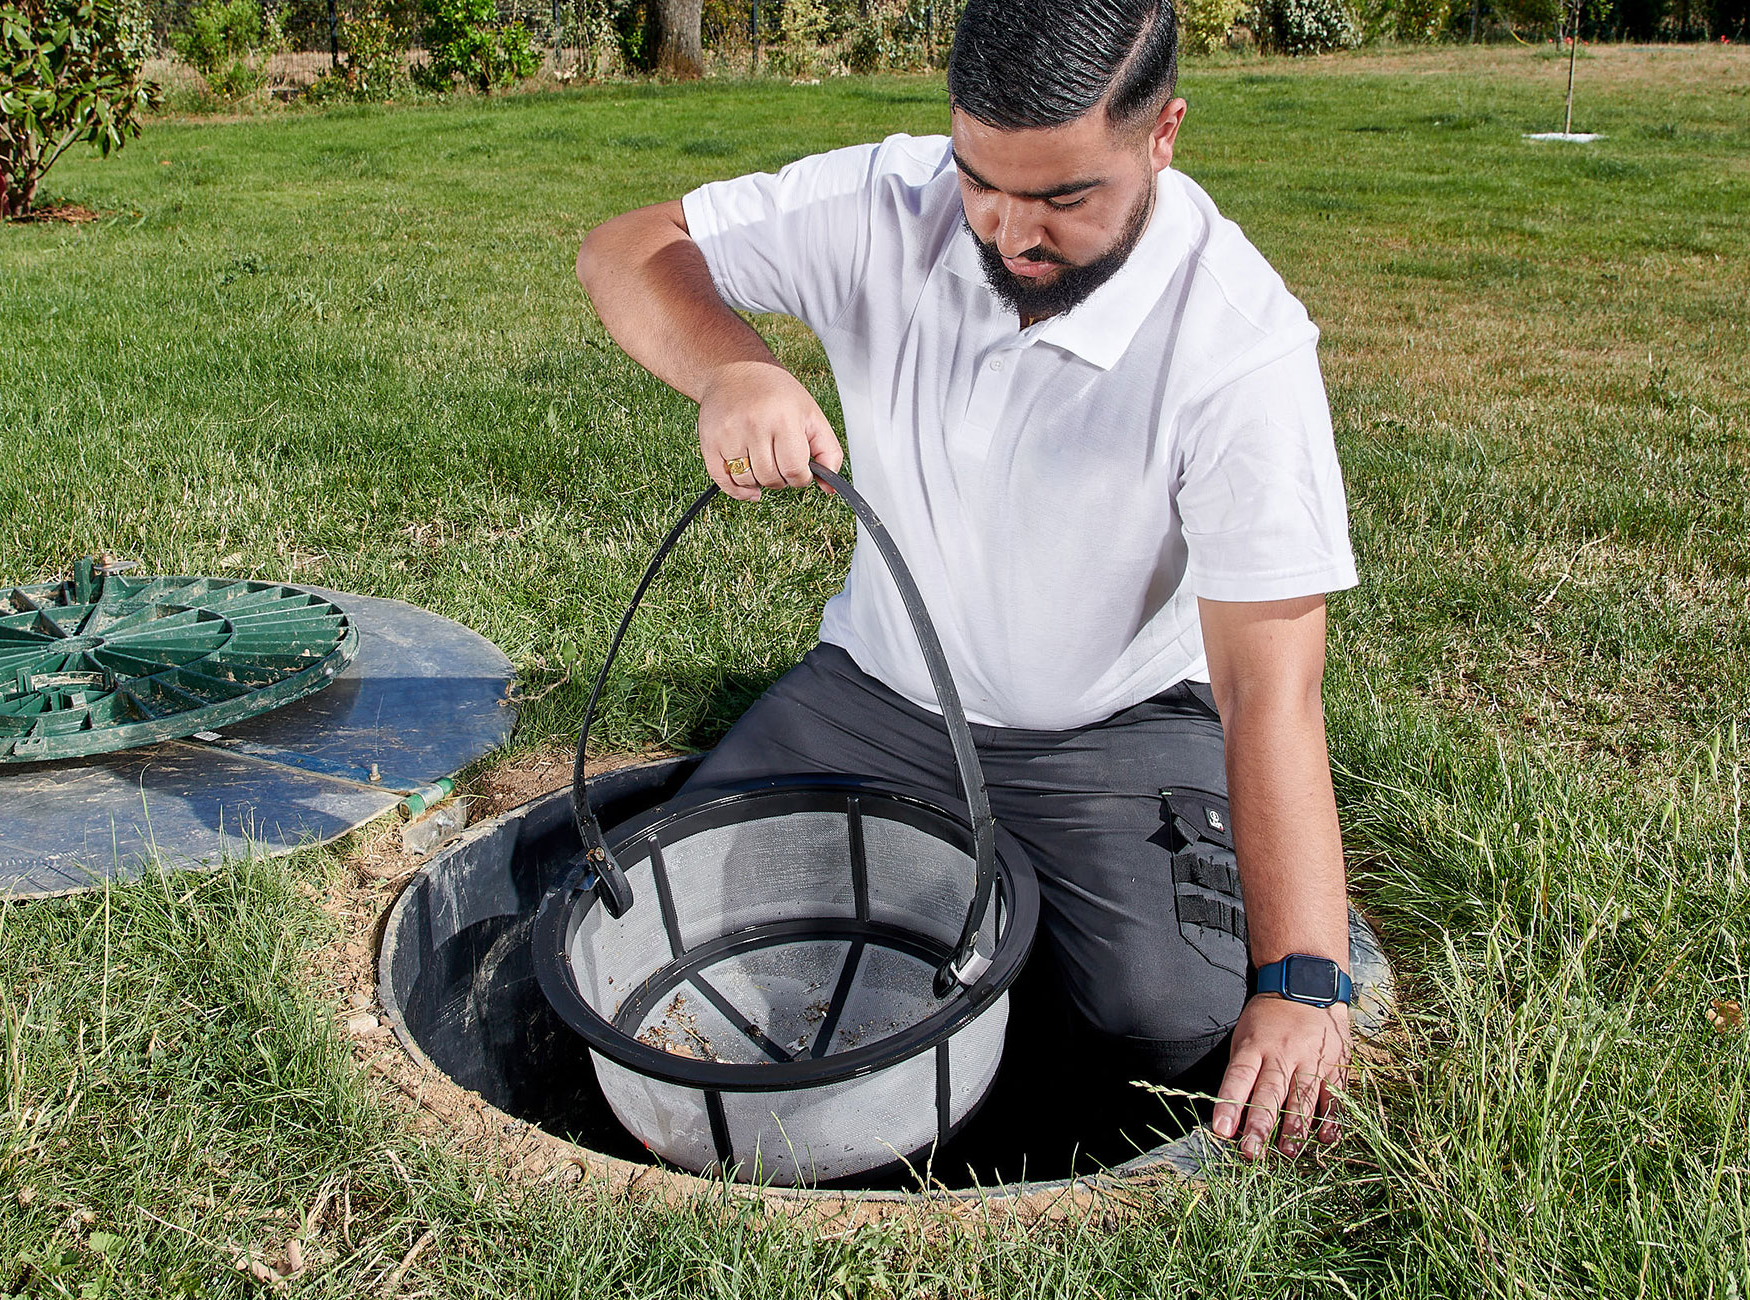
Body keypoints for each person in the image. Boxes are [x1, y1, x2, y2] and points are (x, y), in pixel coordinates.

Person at [575, 0, 1361, 1160]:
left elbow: (1270, 690)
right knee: (669, 910)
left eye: (1063, 198)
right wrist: (731, 370)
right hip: (876, 692)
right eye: (980, 179)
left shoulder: (1236, 348)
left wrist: (1302, 977)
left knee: (1166, 1025)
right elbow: (626, 247)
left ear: (1163, 134)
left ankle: (993, 1130)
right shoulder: (890, 203)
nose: (1007, 231)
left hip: (1107, 730)